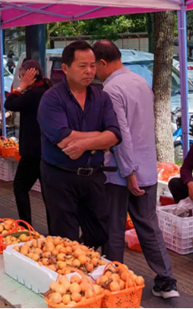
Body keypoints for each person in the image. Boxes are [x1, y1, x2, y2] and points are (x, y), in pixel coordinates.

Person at [93, 41, 178, 299]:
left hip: (121, 172)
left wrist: (129, 172)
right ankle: (167, 281)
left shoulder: (110, 89)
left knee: (115, 229)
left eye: (93, 66)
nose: (93, 72)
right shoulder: (140, 81)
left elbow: (120, 135)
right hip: (148, 169)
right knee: (148, 226)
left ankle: (116, 282)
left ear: (103, 63)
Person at [37, 41, 121, 248]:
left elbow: (115, 135)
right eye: (82, 66)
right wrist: (100, 138)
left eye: (92, 65)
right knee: (64, 237)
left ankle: (82, 256)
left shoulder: (101, 97)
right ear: (65, 68)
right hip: (60, 176)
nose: (89, 71)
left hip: (92, 175)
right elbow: (64, 139)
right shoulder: (51, 99)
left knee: (100, 232)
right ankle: (69, 273)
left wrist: (85, 144)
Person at [5, 60, 51, 226]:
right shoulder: (47, 90)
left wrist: (21, 86)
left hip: (33, 150)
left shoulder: (33, 94)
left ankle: (25, 225)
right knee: (49, 194)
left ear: (27, 76)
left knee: (20, 186)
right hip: (48, 150)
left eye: (21, 76)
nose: (20, 78)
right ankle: (55, 231)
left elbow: (9, 103)